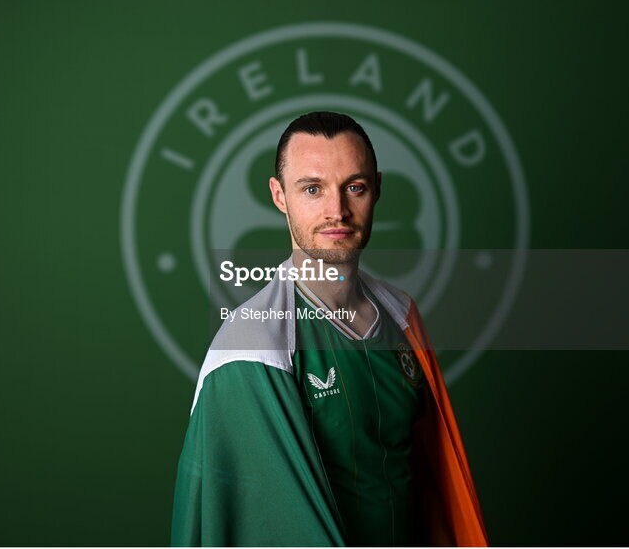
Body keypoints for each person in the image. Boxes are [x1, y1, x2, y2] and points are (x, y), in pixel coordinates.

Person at [171, 111, 488, 547]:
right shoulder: (251, 346)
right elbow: (247, 521)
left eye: (353, 187)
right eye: (313, 189)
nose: (336, 210)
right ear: (280, 196)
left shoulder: (402, 316)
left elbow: (429, 482)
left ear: (376, 188)